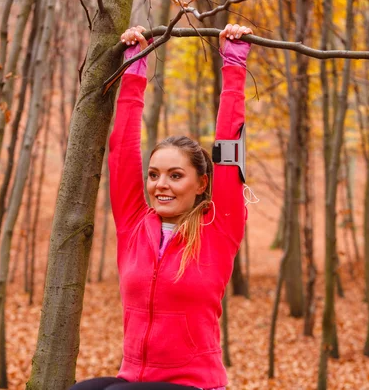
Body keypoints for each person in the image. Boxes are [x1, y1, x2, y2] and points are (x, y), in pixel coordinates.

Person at [69, 23, 253, 390]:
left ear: (202, 184)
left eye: (175, 175)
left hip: (194, 384)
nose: (160, 185)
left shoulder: (219, 227)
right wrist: (135, 68)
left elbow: (230, 150)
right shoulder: (135, 224)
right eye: (154, 175)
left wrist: (233, 67)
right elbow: (122, 150)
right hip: (134, 377)